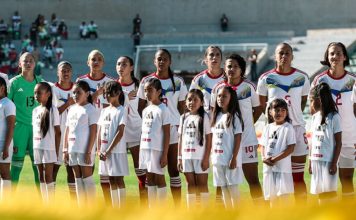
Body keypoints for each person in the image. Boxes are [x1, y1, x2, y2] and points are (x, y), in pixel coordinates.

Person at [257, 43, 310, 200]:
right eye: (281, 53)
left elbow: (302, 101)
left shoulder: (302, 77)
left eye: (287, 53)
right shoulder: (266, 78)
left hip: (297, 129)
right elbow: (262, 105)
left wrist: (291, 118)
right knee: (276, 178)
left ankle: (302, 214)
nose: (284, 56)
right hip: (276, 133)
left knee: (297, 177)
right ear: (275, 56)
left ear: (292, 56)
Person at [138, 49, 188, 205]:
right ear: (154, 61)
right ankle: (155, 209)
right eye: (159, 59)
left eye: (165, 59)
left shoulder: (178, 81)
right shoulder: (146, 81)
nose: (162, 62)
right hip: (153, 132)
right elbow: (141, 107)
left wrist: (179, 127)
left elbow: (182, 108)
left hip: (171, 130)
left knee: (173, 170)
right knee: (151, 172)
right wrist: (152, 124)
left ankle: (177, 207)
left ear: (170, 62)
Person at [211, 54, 263, 203]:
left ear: (241, 69)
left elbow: (258, 108)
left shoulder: (249, 87)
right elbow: (214, 113)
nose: (231, 69)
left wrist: (243, 126)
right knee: (222, 183)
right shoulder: (218, 89)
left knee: (252, 179)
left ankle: (262, 212)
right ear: (224, 69)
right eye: (228, 66)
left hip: (246, 140)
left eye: (235, 66)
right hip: (225, 143)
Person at [310, 42, 356, 200]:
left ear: (344, 56)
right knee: (326, 183)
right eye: (331, 54)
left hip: (349, 137)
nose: (335, 56)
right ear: (327, 58)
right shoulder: (319, 80)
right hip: (327, 140)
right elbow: (312, 110)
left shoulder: (353, 80)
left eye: (338, 53)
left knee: (347, 179)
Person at [77, 50, 115, 203]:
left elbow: (113, 105)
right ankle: (85, 203)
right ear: (88, 62)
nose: (96, 62)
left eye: (99, 59)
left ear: (103, 63)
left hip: (105, 129)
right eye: (93, 59)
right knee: (87, 167)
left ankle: (108, 203)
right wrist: (96, 94)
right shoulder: (81, 81)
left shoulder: (111, 81)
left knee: (106, 168)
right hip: (86, 129)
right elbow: (79, 103)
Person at [8, 52, 43, 187]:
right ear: (19, 64)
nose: (28, 63)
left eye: (31, 61)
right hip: (19, 128)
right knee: (16, 166)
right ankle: (10, 200)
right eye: (25, 61)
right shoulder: (14, 83)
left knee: (38, 167)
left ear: (35, 64)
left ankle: (41, 201)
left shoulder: (40, 82)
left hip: (37, 129)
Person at [116, 56, 146, 202]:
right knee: (117, 172)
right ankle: (119, 207)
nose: (121, 67)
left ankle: (145, 205)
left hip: (136, 130)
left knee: (140, 171)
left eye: (124, 64)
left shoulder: (140, 86)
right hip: (117, 133)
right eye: (118, 64)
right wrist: (126, 97)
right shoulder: (112, 86)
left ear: (132, 68)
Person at [63, 80, 99, 205]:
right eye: (73, 93)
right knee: (77, 178)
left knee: (87, 178)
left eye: (78, 92)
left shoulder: (91, 109)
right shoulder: (71, 109)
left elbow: (94, 131)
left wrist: (89, 151)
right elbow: (67, 130)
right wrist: (65, 149)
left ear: (87, 93)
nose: (75, 95)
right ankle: (81, 206)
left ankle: (92, 207)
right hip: (72, 149)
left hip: (84, 150)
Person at [177, 89, 212, 208]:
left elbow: (209, 139)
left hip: (200, 157)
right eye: (189, 99)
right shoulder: (183, 117)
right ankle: (191, 212)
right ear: (186, 102)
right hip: (186, 157)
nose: (192, 102)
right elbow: (180, 139)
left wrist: (206, 158)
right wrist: (179, 158)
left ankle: (205, 212)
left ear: (202, 102)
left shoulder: (205, 117)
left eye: (195, 99)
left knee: (202, 185)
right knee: (190, 185)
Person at [210, 86, 243, 209]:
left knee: (232, 187)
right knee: (223, 188)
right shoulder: (216, 116)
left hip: (229, 159)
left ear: (231, 98)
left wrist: (234, 158)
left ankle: (237, 214)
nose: (221, 99)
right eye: (219, 96)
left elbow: (238, 137)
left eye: (224, 96)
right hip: (218, 159)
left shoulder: (234, 116)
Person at [309, 83, 341, 204]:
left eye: (312, 100)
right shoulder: (315, 117)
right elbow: (312, 140)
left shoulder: (334, 117)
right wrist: (310, 162)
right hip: (316, 160)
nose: (311, 104)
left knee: (330, 192)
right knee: (321, 193)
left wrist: (334, 163)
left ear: (319, 100)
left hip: (328, 160)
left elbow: (339, 143)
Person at [139, 78, 170, 207]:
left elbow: (167, 133)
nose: (147, 93)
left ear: (158, 92)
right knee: (149, 178)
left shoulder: (163, 109)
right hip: (145, 147)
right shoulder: (146, 110)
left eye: (150, 90)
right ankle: (152, 209)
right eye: (145, 91)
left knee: (159, 178)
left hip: (157, 149)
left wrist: (164, 154)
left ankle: (162, 210)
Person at [260, 98, 295, 206]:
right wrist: (263, 157)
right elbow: (263, 145)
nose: (279, 113)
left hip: (282, 169)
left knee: (284, 198)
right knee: (272, 199)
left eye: (282, 110)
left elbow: (291, 148)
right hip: (269, 168)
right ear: (270, 111)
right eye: (276, 110)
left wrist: (275, 159)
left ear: (286, 112)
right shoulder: (267, 127)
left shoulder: (288, 128)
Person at [98, 81, 128, 208]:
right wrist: (99, 149)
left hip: (116, 151)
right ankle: (114, 208)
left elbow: (120, 133)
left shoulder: (122, 110)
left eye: (110, 93)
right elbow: (99, 131)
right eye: (105, 93)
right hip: (104, 152)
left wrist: (108, 150)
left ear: (118, 93)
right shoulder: (104, 111)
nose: (107, 96)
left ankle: (122, 208)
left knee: (118, 179)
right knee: (110, 179)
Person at [51, 61, 76, 199]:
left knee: (71, 169)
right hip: (57, 134)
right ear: (57, 72)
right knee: (54, 167)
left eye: (68, 70)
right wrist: (67, 104)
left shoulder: (77, 88)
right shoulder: (53, 90)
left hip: (73, 134)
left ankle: (74, 201)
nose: (65, 73)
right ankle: (51, 199)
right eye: (63, 70)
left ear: (71, 73)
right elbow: (53, 113)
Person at [32, 82, 60, 202]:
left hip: (49, 148)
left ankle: (51, 203)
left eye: (39, 92)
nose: (36, 95)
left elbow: (58, 132)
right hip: (37, 147)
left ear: (48, 94)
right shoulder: (35, 110)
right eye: (35, 93)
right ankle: (44, 202)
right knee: (40, 176)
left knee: (48, 176)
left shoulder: (53, 110)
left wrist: (56, 151)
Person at [189, 46, 225, 112]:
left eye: (217, 55)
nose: (215, 57)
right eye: (211, 55)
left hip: (226, 119)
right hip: (206, 119)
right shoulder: (198, 79)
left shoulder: (229, 77)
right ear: (206, 59)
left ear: (221, 59)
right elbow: (190, 102)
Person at [0, 76, 15, 200]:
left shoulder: (8, 103)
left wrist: (6, 147)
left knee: (4, 173)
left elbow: (11, 127)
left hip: (3, 144)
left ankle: (7, 202)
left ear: (3, 88)